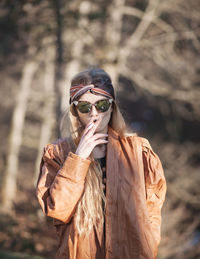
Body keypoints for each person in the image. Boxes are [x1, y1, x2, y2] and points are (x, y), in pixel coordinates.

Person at [36, 68, 167, 259]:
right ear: (75, 110)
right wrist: (78, 158)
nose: (94, 113)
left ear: (112, 106)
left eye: (102, 105)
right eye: (84, 107)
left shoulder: (140, 151)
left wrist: (148, 247)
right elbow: (57, 210)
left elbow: (153, 211)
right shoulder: (57, 153)